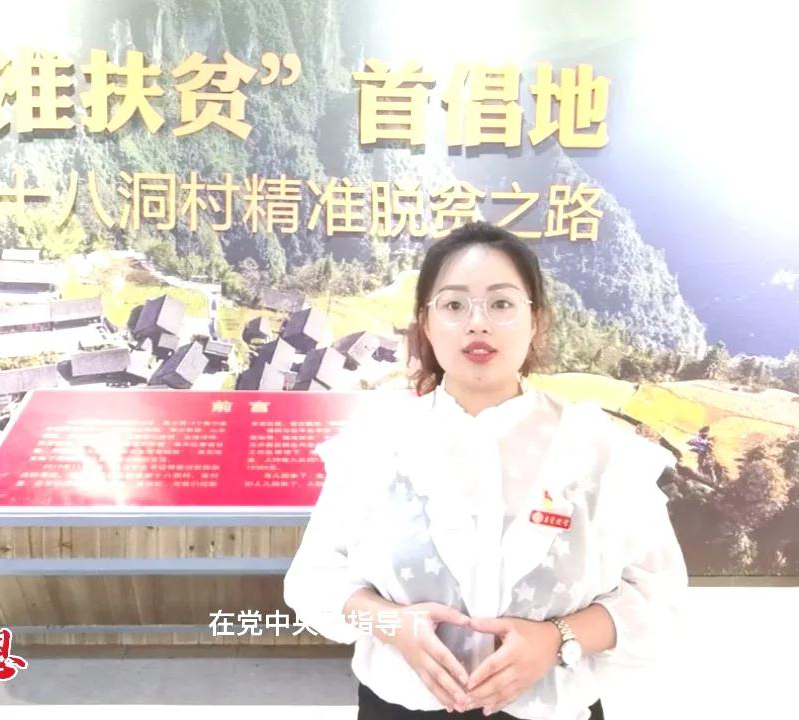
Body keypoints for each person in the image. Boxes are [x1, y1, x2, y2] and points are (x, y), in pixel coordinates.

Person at [283, 222, 688, 720]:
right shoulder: (376, 445)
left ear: (536, 320)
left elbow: (659, 595)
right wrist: (391, 624)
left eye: (501, 303)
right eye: (454, 305)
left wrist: (556, 638)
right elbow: (314, 580)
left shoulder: (599, 450)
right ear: (426, 323)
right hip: (400, 708)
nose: (478, 324)